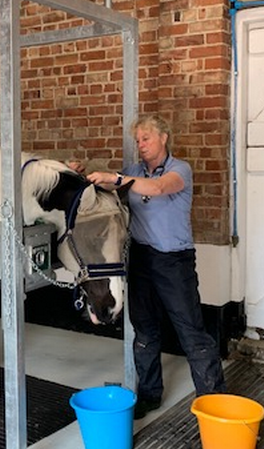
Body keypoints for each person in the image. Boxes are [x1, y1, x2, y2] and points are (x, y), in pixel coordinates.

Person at [82, 114, 226, 419]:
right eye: (138, 140)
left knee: (192, 332)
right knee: (145, 330)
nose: (141, 145)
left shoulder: (179, 170)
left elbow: (159, 188)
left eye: (146, 138)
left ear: (164, 137)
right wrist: (80, 175)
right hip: (141, 259)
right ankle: (148, 395)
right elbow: (106, 191)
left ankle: (213, 402)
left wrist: (117, 179)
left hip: (174, 262)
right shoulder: (133, 172)